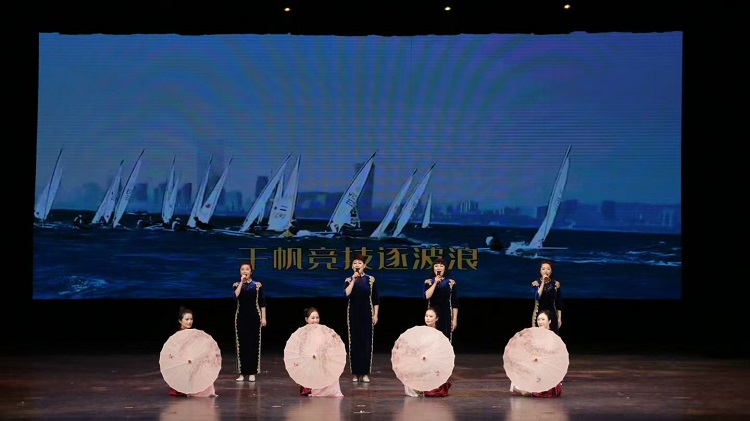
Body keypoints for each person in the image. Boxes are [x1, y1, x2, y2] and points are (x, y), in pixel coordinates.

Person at [510, 310, 563, 398]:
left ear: (549, 321)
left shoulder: (552, 337)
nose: (540, 322)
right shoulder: (536, 335)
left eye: (543, 319)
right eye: (539, 319)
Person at [168, 306, 218, 398]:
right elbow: (175, 353)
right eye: (187, 319)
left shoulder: (193, 333)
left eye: (191, 319)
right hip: (183, 363)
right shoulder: (178, 336)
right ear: (180, 321)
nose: (189, 321)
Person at [345, 254, 379, 383]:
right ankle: (355, 373)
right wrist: (353, 280)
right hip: (353, 313)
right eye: (355, 263)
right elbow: (346, 293)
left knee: (366, 342)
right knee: (354, 342)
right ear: (352, 266)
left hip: (367, 313)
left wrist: (375, 315)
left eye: (359, 263)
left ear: (364, 265)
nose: (357, 265)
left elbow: (375, 299)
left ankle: (364, 373)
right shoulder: (348, 279)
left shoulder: (371, 280)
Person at [404, 306, 452, 397]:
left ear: (436, 319)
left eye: (431, 316)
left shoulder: (438, 335)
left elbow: (439, 353)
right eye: (426, 316)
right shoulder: (421, 331)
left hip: (433, 363)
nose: (428, 318)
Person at [298, 307, 344, 397]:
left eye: (317, 318)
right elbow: (302, 350)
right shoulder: (303, 333)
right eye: (312, 318)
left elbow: (326, 346)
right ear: (306, 319)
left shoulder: (323, 330)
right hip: (310, 361)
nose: (315, 320)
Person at [233, 262, 267, 382]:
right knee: (241, 345)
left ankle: (252, 372)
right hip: (241, 317)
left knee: (253, 344)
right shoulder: (236, 285)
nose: (245, 271)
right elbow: (235, 296)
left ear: (251, 272)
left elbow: (262, 302)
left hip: (254, 317)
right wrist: (241, 282)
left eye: (247, 269)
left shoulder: (257, 285)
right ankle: (242, 373)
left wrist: (263, 318)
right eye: (242, 269)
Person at [423, 257, 459, 343]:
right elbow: (426, 296)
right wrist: (435, 282)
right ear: (433, 268)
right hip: (432, 314)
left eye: (441, 266)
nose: (438, 268)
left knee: (445, 339)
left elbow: (455, 303)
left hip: (446, 314)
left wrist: (454, 319)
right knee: (431, 339)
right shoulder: (428, 282)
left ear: (445, 268)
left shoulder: (451, 283)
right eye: (436, 266)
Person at [530, 261, 564, 335]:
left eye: (548, 269)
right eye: (543, 269)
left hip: (552, 315)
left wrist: (559, 318)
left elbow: (558, 303)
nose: (545, 271)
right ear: (540, 271)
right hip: (539, 314)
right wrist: (543, 282)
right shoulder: (535, 283)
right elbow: (537, 297)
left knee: (552, 337)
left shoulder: (556, 284)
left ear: (551, 271)